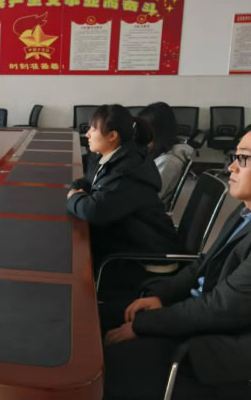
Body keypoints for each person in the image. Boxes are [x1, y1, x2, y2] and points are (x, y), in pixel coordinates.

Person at [101, 129, 251, 400]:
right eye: (235, 156)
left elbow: (220, 308)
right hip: (193, 312)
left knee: (99, 366)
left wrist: (143, 325)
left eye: (244, 158)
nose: (231, 167)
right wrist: (162, 296)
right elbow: (202, 264)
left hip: (209, 349)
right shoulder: (244, 212)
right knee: (94, 320)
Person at [66, 105, 181, 270]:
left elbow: (94, 210)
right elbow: (87, 182)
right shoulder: (114, 157)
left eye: (93, 129)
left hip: (148, 261)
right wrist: (76, 190)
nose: (87, 134)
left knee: (71, 255)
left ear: (112, 136)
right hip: (128, 241)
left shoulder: (128, 169)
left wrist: (73, 197)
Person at [138, 102, 194, 208]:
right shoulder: (157, 152)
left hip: (146, 213)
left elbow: (146, 198)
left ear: (157, 131)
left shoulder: (168, 161)